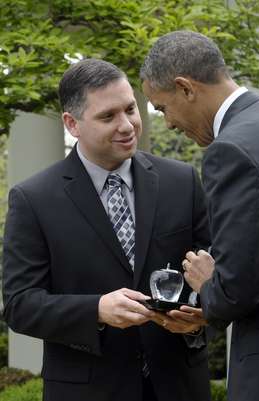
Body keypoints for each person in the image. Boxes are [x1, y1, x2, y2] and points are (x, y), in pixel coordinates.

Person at [2, 58, 211, 401]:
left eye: (130, 109)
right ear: (72, 124)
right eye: (107, 116)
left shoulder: (182, 181)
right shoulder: (33, 199)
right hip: (88, 390)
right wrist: (96, 309)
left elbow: (213, 269)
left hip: (180, 385)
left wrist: (200, 314)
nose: (127, 125)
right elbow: (20, 305)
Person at [140, 30, 259, 401]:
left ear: (185, 88)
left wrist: (207, 283)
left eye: (162, 108)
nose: (167, 123)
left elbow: (237, 291)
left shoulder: (230, 150)